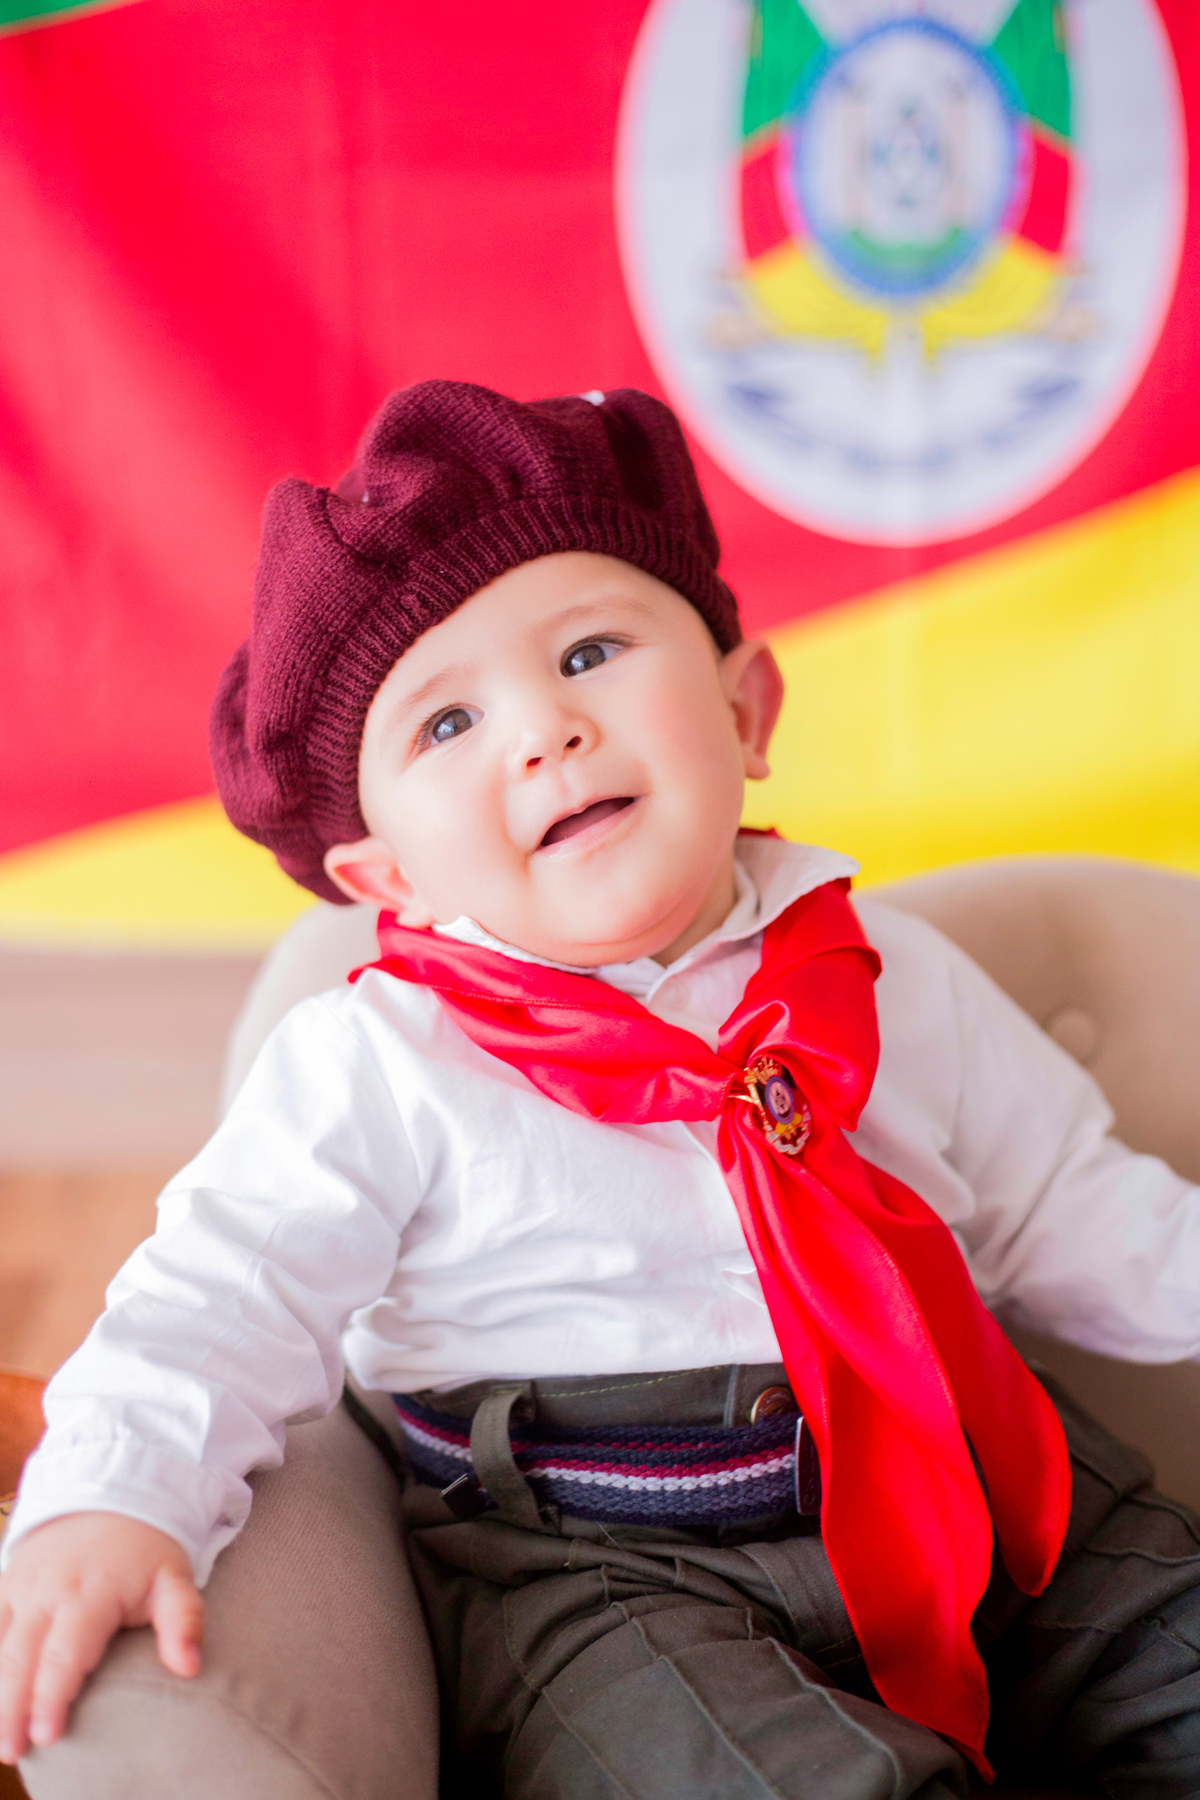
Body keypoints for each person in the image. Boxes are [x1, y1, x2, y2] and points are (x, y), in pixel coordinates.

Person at [2, 381, 1199, 1800]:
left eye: (590, 650)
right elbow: (220, 1299)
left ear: (745, 708)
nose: (543, 732)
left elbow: (1066, 1205)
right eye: (446, 725)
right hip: (607, 1564)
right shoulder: (376, 1063)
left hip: (974, 1466)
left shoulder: (882, 970)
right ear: (389, 877)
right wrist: (112, 1497)